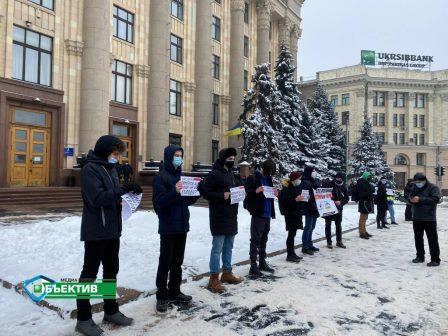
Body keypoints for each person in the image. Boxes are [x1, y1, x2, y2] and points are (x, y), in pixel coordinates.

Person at [76, 135, 142, 336]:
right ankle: (83, 319)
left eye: (118, 154)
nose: (117, 157)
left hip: (113, 230)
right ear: (105, 151)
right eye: (115, 153)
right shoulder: (90, 169)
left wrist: (126, 199)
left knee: (111, 271)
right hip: (96, 231)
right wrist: (123, 190)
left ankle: (111, 311)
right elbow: (96, 199)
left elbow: (112, 197)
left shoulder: (111, 168)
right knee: (89, 274)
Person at [152, 145, 200, 313]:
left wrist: (195, 193)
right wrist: (174, 191)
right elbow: (159, 203)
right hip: (168, 226)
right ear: (169, 157)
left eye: (180, 156)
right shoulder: (160, 177)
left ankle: (175, 291)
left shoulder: (181, 175)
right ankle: (161, 295)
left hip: (181, 225)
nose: (179, 158)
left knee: (177, 263)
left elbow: (185, 201)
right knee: (165, 262)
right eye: (176, 156)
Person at [201, 148, 243, 293]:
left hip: (231, 215)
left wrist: (240, 193)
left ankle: (227, 272)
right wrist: (221, 195)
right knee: (217, 248)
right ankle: (213, 278)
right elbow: (205, 192)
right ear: (223, 158)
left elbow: (236, 191)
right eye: (229, 158)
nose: (232, 161)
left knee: (229, 246)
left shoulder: (231, 174)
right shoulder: (214, 174)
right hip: (219, 216)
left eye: (233, 158)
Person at [245, 159, 278, 276]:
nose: (271, 173)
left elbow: (269, 193)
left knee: (264, 239)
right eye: (270, 170)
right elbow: (245, 192)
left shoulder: (269, 179)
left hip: (267, 213)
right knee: (255, 240)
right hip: (258, 213)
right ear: (265, 169)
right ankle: (253, 265)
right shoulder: (253, 178)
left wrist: (275, 193)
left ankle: (262, 262)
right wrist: (256, 191)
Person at [409, 173, 441, 267]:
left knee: (432, 239)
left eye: (419, 182)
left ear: (424, 180)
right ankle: (420, 256)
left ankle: (435, 259)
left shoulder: (433, 187)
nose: (417, 184)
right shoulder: (414, 187)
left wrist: (420, 199)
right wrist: (411, 199)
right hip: (417, 217)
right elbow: (409, 196)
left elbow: (436, 199)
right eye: (416, 182)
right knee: (418, 238)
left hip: (429, 218)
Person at [279, 171, 304, 263]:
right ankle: (290, 254)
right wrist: (295, 200)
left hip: (296, 214)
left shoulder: (294, 187)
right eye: (298, 179)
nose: (299, 181)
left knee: (293, 235)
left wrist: (302, 199)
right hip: (290, 215)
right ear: (293, 180)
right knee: (291, 235)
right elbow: (286, 203)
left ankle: (292, 253)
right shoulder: (287, 189)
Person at [323, 173, 349, 249]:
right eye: (337, 178)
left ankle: (339, 241)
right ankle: (329, 242)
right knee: (328, 225)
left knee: (338, 225)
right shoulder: (330, 184)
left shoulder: (343, 187)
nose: (338, 180)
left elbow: (346, 198)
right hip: (329, 208)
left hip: (339, 208)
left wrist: (341, 202)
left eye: (340, 178)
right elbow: (324, 194)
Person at [301, 165, 321, 255]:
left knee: (312, 227)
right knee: (308, 227)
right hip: (309, 207)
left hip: (315, 206)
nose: (314, 172)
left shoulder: (313, 181)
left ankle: (310, 244)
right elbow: (305, 196)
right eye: (313, 171)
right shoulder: (305, 182)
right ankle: (305, 246)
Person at [356, 172, 375, 239]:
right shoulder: (362, 183)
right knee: (362, 218)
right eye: (369, 177)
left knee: (365, 218)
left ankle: (364, 231)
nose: (370, 178)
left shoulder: (365, 182)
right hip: (364, 202)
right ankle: (362, 233)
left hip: (366, 202)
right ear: (366, 176)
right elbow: (362, 194)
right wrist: (370, 193)